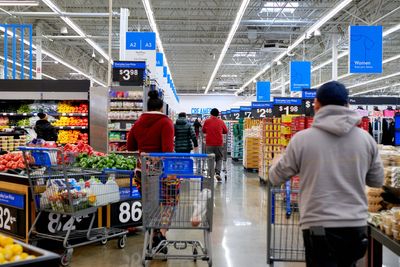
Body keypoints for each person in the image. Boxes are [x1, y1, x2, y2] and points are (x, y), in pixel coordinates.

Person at [269, 81, 384, 267]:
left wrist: (277, 160)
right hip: (355, 225)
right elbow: (377, 181)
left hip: (318, 225)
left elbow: (275, 178)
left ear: (316, 104)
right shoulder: (366, 140)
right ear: (347, 105)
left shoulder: (302, 140)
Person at [127, 90, 174, 253]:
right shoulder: (165, 122)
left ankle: (153, 234)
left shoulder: (138, 123)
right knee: (171, 199)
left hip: (141, 170)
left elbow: (130, 146)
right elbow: (168, 150)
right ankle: (160, 234)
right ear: (161, 108)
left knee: (149, 203)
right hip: (160, 170)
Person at [202, 108, 228, 182]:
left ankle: (211, 174)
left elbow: (203, 130)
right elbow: (225, 131)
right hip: (219, 143)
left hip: (209, 143)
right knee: (219, 158)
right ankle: (217, 173)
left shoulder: (207, 121)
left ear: (211, 114)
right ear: (218, 114)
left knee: (210, 158)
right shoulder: (221, 121)